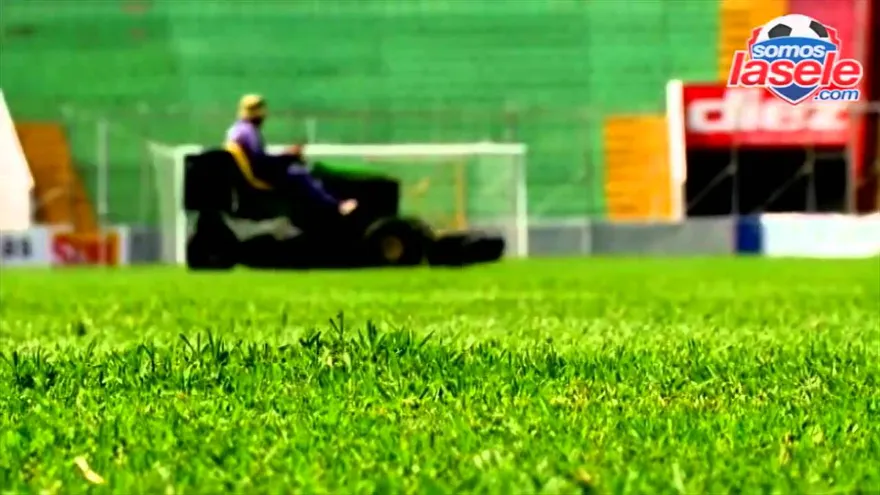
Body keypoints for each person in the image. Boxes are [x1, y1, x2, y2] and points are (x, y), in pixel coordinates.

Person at [225, 94, 357, 216]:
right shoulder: (249, 133)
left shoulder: (236, 129)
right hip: (260, 176)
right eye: (262, 110)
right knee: (300, 174)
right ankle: (335, 207)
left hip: (255, 172)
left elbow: (260, 159)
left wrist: (286, 155)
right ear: (257, 112)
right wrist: (288, 157)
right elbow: (262, 163)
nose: (264, 114)